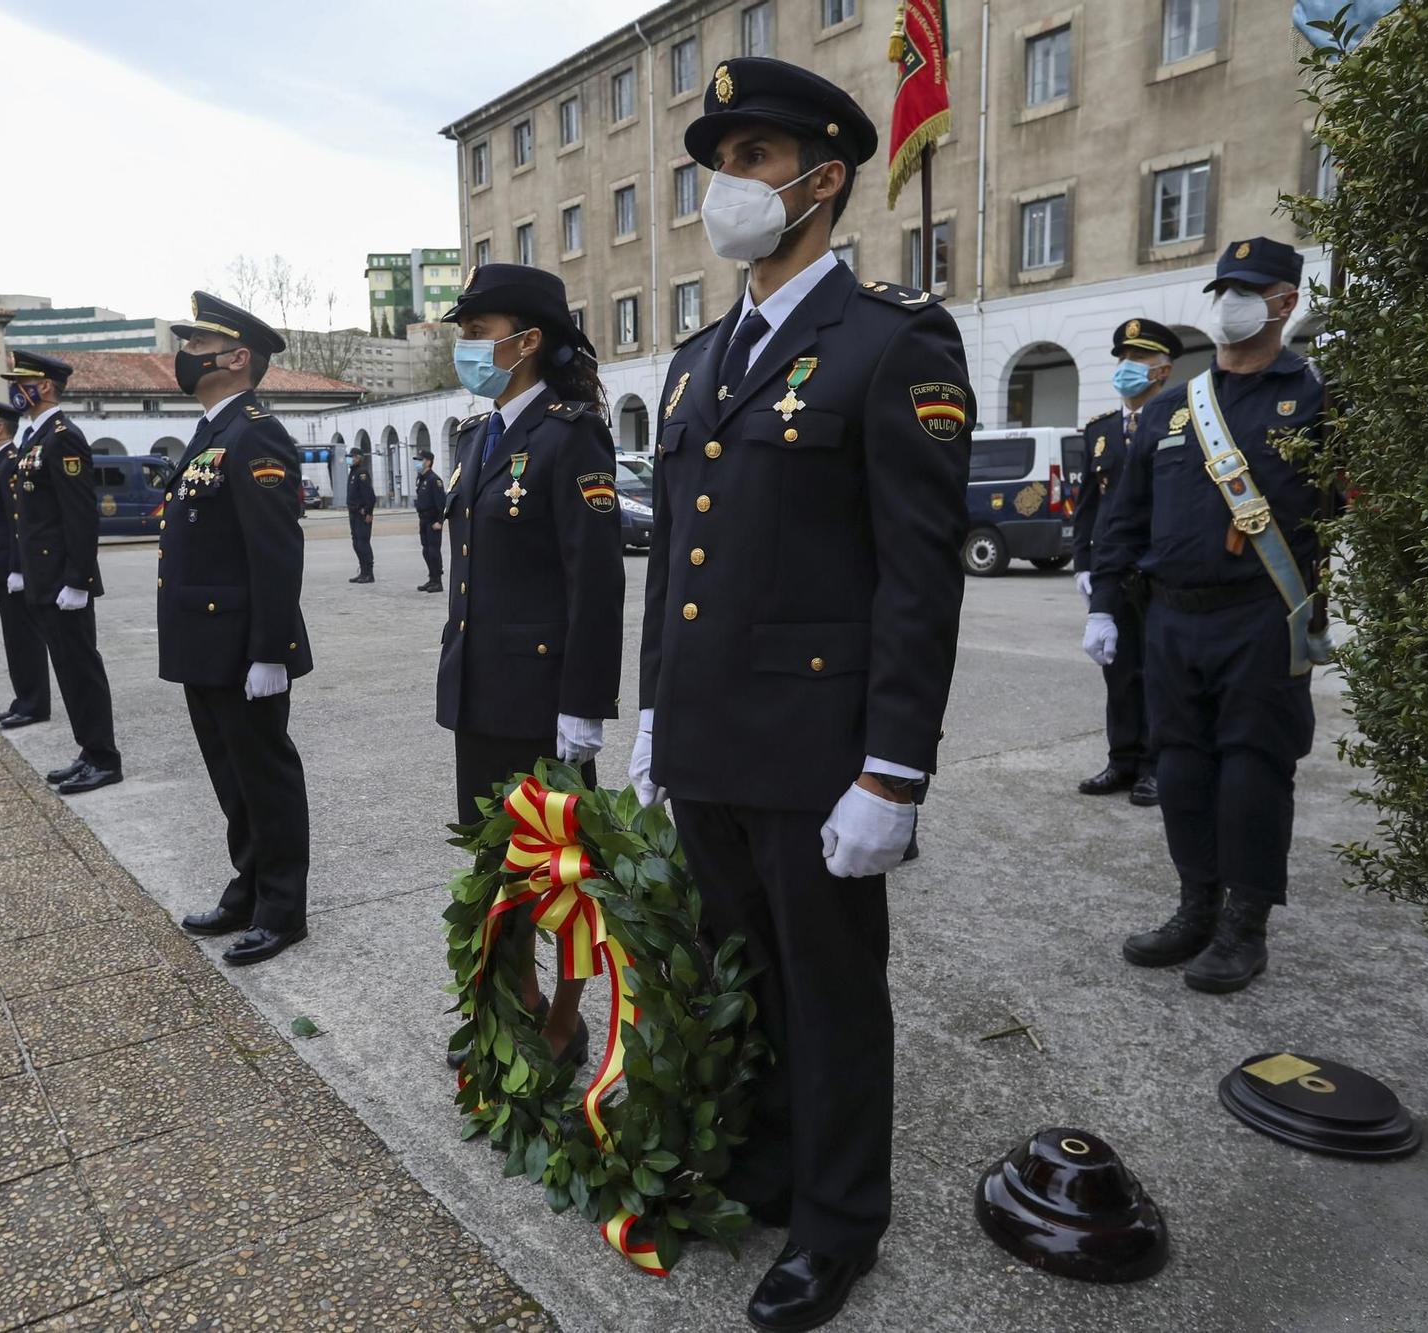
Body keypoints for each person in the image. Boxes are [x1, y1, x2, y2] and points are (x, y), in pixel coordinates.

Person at [627, 58, 971, 1331]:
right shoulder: (696, 356)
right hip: (710, 739)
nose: (726, 183)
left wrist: (894, 769)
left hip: (818, 747)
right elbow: (674, 554)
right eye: (716, 160)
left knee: (827, 998)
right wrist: (653, 708)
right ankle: (763, 1170)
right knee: (738, 974)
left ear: (823, 180)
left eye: (753, 159)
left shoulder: (891, 343)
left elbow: (915, 581)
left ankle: (835, 1223)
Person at [1085, 238, 1327, 995]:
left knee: (1254, 771)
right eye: (1224, 288)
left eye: (1250, 289)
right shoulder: (1173, 408)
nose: (1231, 303)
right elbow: (1124, 518)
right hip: (1172, 622)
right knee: (1182, 769)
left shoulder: (1316, 400)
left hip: (1261, 616)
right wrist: (1104, 603)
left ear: (1286, 300)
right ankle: (1195, 906)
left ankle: (1244, 925)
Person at [436, 262, 623, 1071]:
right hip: (481, 691)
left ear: (527, 341)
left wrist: (583, 705)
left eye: (478, 333)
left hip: (544, 699)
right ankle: (517, 1001)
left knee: (564, 879)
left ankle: (568, 1021)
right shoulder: (482, 435)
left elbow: (597, 579)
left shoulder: (570, 430)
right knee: (496, 865)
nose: (468, 348)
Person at [159, 293, 314, 966]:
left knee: (265, 776)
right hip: (205, 643)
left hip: (244, 645)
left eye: (195, 346)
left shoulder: (256, 434)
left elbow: (275, 552)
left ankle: (282, 908)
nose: (184, 357)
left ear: (236, 357)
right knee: (232, 777)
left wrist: (270, 652)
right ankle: (247, 886)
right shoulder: (213, 432)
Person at [1073, 318, 1184, 807]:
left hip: (1159, 569)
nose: (1126, 369)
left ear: (1162, 371)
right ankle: (1122, 759)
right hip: (1112, 570)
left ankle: (1156, 767)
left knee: (1160, 672)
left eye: (1137, 360)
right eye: (1122, 359)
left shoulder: (1181, 421)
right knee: (1118, 672)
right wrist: (1082, 563)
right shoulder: (1099, 432)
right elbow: (1088, 508)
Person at [2, 350, 122, 795]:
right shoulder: (34, 439)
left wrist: (79, 580)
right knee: (67, 670)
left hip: (62, 581)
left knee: (80, 668)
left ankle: (105, 758)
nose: (15, 389)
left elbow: (79, 515)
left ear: (45, 386)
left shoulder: (62, 437)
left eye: (21, 382)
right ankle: (89, 750)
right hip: (43, 577)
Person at [0, 396, 51, 729]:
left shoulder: (10, 462)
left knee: (24, 638)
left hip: (11, 567)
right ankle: (23, 699)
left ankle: (34, 703)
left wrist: (18, 567)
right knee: (14, 638)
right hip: (1, 566)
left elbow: (18, 518)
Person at [413, 448, 446, 592]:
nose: (417, 463)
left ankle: (438, 581)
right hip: (423, 520)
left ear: (428, 462)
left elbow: (441, 503)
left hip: (433, 522)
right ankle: (431, 578)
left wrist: (440, 521)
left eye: (420, 460)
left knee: (433, 552)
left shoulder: (434, 480)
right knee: (426, 551)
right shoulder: (421, 478)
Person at [345, 446, 375, 583]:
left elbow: (369, 495)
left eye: (352, 457)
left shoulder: (362, 473)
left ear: (358, 458)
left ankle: (369, 573)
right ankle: (363, 571)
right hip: (353, 513)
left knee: (363, 543)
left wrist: (368, 511)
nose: (349, 459)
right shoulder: (353, 473)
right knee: (356, 543)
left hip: (361, 513)